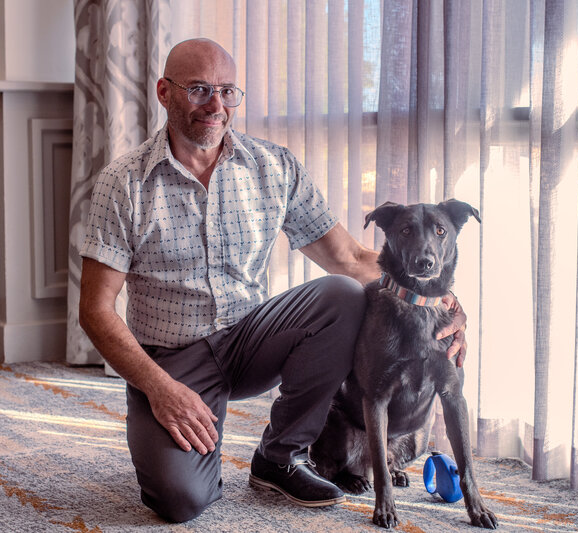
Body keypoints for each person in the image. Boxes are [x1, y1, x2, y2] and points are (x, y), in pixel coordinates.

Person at [78, 38, 468, 523]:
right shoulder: (125, 183)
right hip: (173, 360)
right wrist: (158, 388)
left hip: (252, 340)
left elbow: (348, 257)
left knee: (344, 295)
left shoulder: (273, 167)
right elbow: (95, 310)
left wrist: (442, 303)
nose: (216, 105)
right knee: (179, 501)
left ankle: (280, 456)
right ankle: (187, 446)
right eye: (199, 90)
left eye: (227, 91)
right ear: (164, 92)